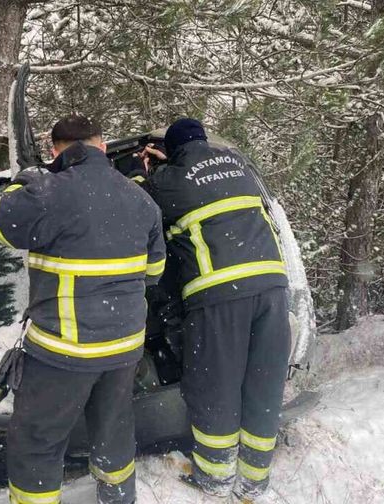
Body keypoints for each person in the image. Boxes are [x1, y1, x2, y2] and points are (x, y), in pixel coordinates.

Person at [0, 115, 166, 504]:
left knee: (37, 442)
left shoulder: (49, 192)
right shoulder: (141, 199)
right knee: (114, 429)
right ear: (102, 146)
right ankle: (118, 497)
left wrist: (24, 180)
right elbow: (154, 272)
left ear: (55, 151)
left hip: (63, 350)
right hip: (123, 348)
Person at [138, 118, 291, 501]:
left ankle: (216, 477)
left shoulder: (167, 180)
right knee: (263, 383)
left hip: (219, 292)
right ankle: (255, 478)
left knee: (215, 386)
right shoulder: (238, 166)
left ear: (169, 151)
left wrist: (147, 170)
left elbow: (138, 202)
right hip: (272, 287)